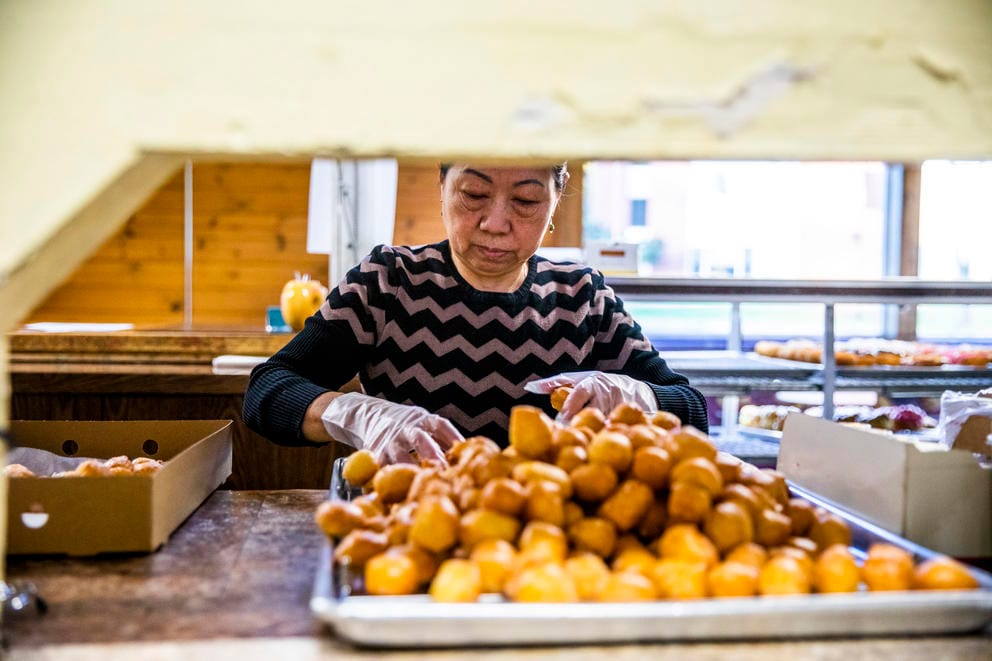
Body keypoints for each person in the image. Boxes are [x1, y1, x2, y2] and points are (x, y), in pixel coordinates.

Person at [243, 162, 708, 465]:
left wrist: (634, 395)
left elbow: (692, 410)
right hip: (411, 528)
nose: (496, 223)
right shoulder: (389, 281)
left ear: (555, 201)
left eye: (526, 201)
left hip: (548, 541)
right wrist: (356, 413)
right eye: (473, 195)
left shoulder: (582, 297)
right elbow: (267, 390)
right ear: (442, 187)